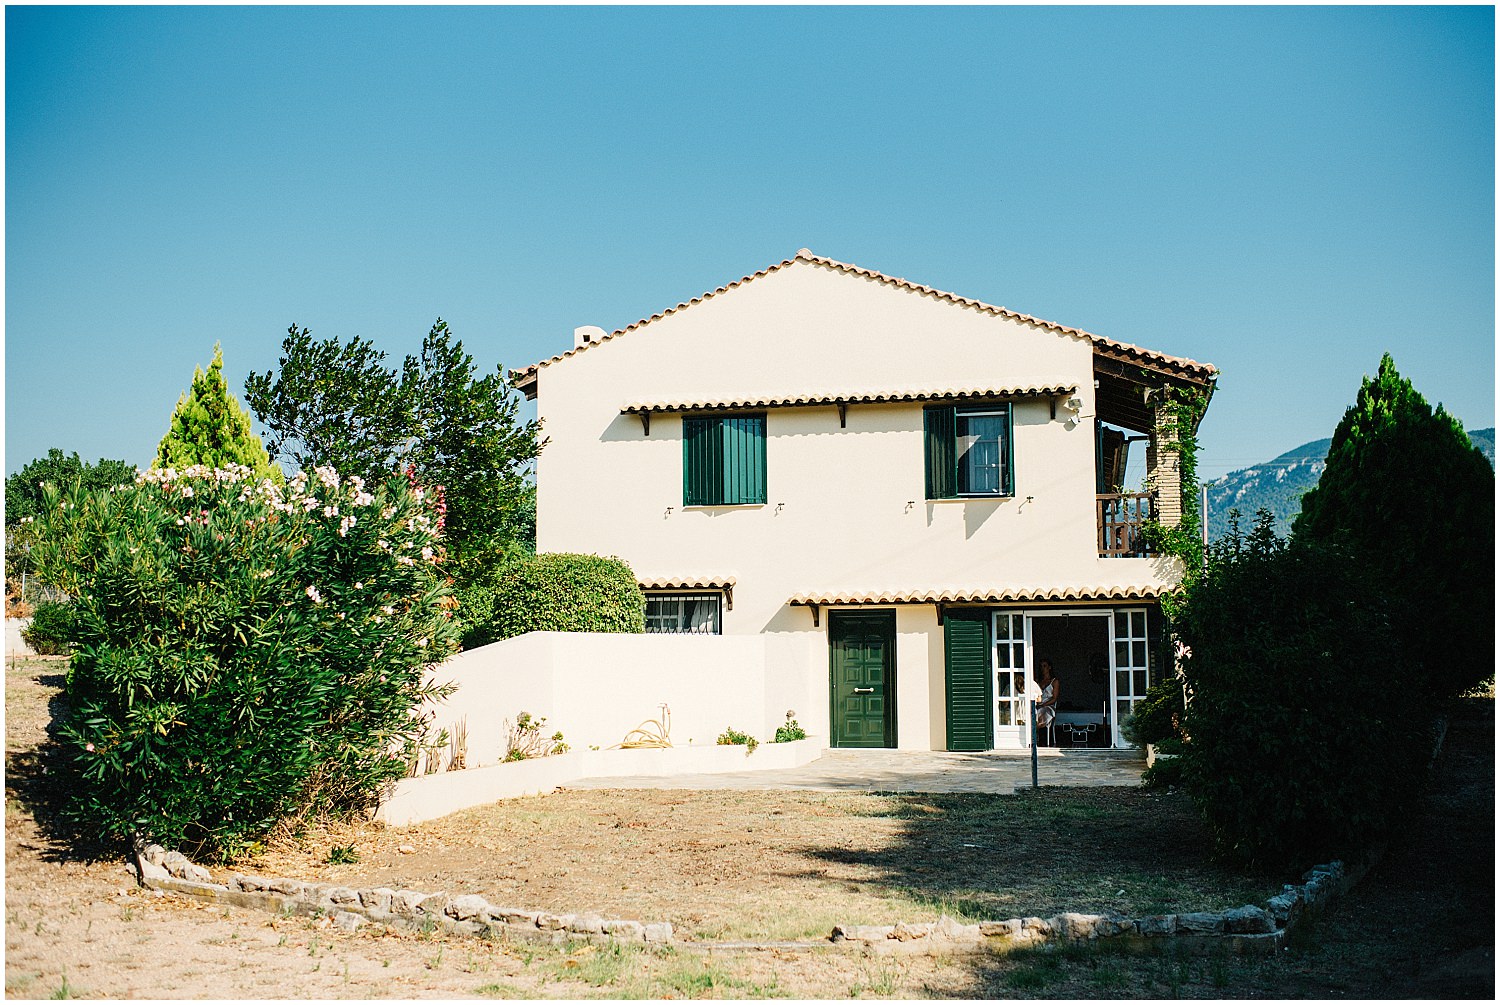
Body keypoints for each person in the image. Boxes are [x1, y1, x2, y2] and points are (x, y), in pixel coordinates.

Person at [1036, 659, 1060, 746]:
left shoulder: (1054, 681)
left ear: (1049, 667)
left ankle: (1035, 732)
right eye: (1041, 666)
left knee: (1040, 712)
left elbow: (1054, 698)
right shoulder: (1038, 681)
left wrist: (1043, 705)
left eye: (1044, 666)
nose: (1043, 668)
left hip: (1049, 705)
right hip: (1038, 704)